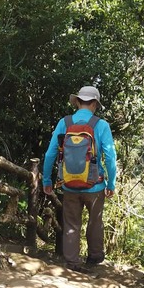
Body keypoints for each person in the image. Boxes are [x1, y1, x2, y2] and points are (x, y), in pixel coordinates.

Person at [43, 86, 117, 273]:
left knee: (72, 223)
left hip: (69, 184)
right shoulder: (101, 126)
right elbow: (109, 157)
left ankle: (72, 262)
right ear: (94, 104)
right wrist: (111, 183)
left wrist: (47, 180)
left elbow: (51, 153)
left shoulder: (64, 123)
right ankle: (94, 257)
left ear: (77, 101)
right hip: (95, 185)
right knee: (95, 221)